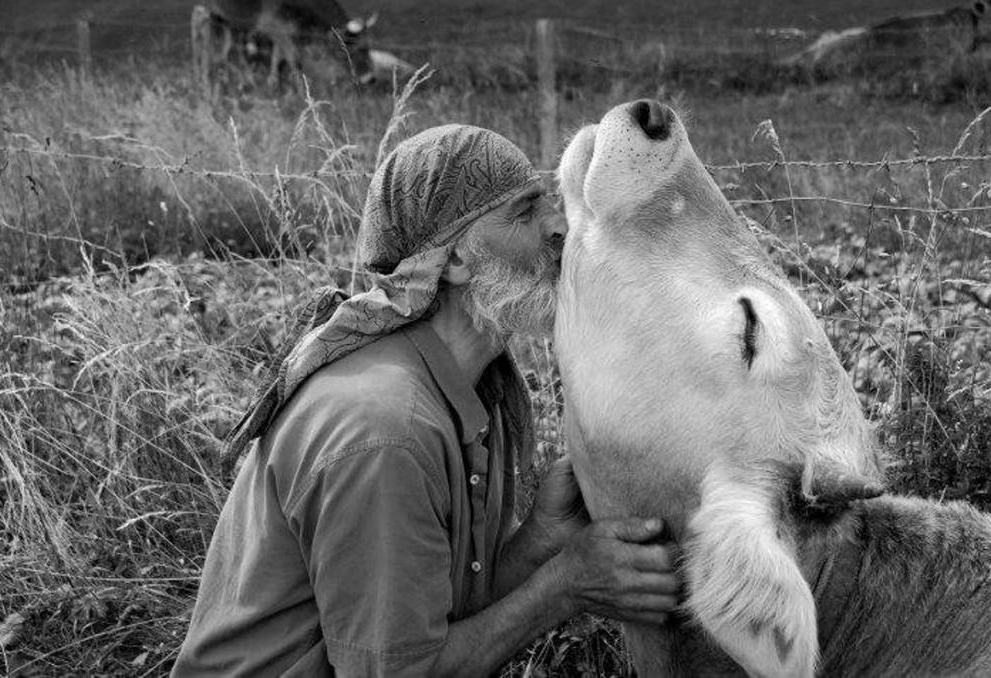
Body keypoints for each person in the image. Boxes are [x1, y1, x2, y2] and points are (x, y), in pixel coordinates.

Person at [172, 125, 682, 677]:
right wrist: (566, 588)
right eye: (524, 211)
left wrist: (540, 540)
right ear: (457, 258)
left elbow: (427, 618)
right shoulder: (386, 433)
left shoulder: (464, 383)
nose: (559, 225)